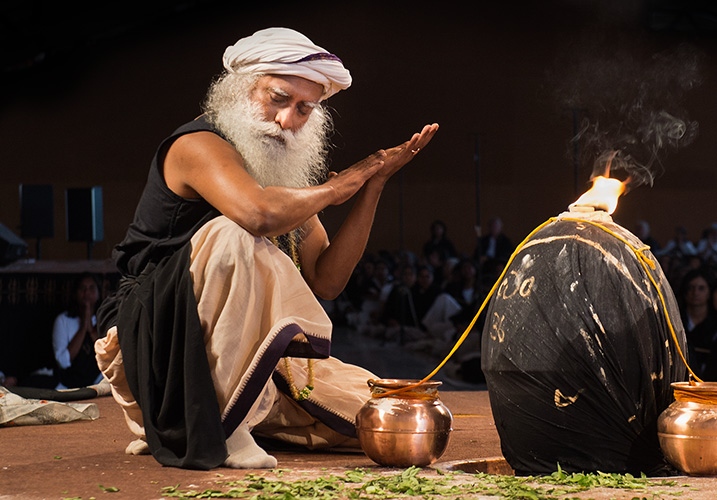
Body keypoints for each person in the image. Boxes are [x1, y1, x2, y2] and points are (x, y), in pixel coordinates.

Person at [94, 27, 438, 470]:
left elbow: (328, 280)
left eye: (303, 109)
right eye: (277, 98)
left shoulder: (285, 185)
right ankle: (219, 426)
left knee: (383, 412)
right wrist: (336, 188)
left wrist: (373, 185)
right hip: (152, 337)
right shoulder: (195, 145)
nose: (287, 119)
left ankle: (212, 413)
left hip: (238, 358)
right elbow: (257, 215)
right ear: (240, 89)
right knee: (235, 234)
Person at [53, 273, 105, 389]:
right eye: (82, 288)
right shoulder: (63, 320)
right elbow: (63, 362)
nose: (87, 293)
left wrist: (91, 330)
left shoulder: (104, 319)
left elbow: (109, 356)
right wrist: (82, 329)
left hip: (98, 383)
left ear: (98, 293)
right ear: (75, 293)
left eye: (91, 288)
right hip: (67, 385)